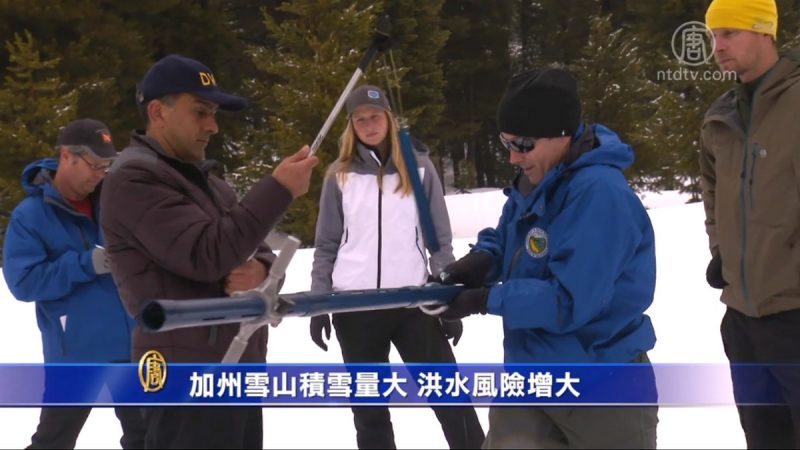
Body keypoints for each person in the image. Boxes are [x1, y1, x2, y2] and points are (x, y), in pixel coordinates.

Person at [99, 54, 318, 449]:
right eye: (200, 112)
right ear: (157, 112)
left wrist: (263, 270)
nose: (213, 126)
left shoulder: (211, 185)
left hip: (235, 366)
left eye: (215, 114)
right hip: (185, 377)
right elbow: (206, 253)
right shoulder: (135, 179)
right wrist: (279, 188)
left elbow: (260, 245)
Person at [433, 68, 659, 448]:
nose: (512, 156)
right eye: (505, 142)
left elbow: (570, 301)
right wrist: (482, 262)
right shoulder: (535, 179)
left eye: (522, 144)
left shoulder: (600, 195)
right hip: (531, 375)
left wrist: (486, 300)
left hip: (600, 381)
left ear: (561, 134)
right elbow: (510, 238)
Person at [309, 84, 485, 449]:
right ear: (351, 126)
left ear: (388, 119)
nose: (369, 125)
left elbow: (438, 239)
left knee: (449, 397)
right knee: (370, 411)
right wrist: (318, 301)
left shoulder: (419, 169)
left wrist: (449, 297)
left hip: (412, 304)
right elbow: (327, 244)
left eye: (375, 117)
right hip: (354, 308)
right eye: (360, 120)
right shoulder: (338, 175)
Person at [3, 118, 146, 449]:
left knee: (147, 438)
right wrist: (85, 264)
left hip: (131, 346)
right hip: (76, 352)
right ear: (66, 156)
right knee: (54, 441)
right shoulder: (31, 215)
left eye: (106, 166)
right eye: (94, 165)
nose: (100, 174)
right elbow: (23, 282)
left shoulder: (111, 202)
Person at [701, 0, 800, 447]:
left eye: (729, 33)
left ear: (764, 32)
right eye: (713, 36)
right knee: (763, 437)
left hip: (795, 313)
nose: (717, 47)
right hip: (742, 319)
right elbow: (712, 190)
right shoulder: (721, 113)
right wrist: (721, 249)